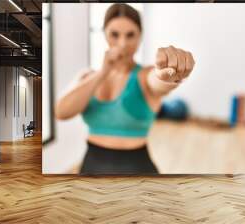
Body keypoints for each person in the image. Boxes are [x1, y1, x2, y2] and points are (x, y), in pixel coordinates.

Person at [55, 3, 195, 175]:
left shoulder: (144, 75)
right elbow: (61, 112)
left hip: (138, 169)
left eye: (130, 35)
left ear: (140, 37)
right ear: (104, 33)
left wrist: (167, 76)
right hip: (90, 167)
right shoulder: (87, 76)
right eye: (114, 34)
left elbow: (157, 80)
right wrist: (103, 72)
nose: (122, 43)